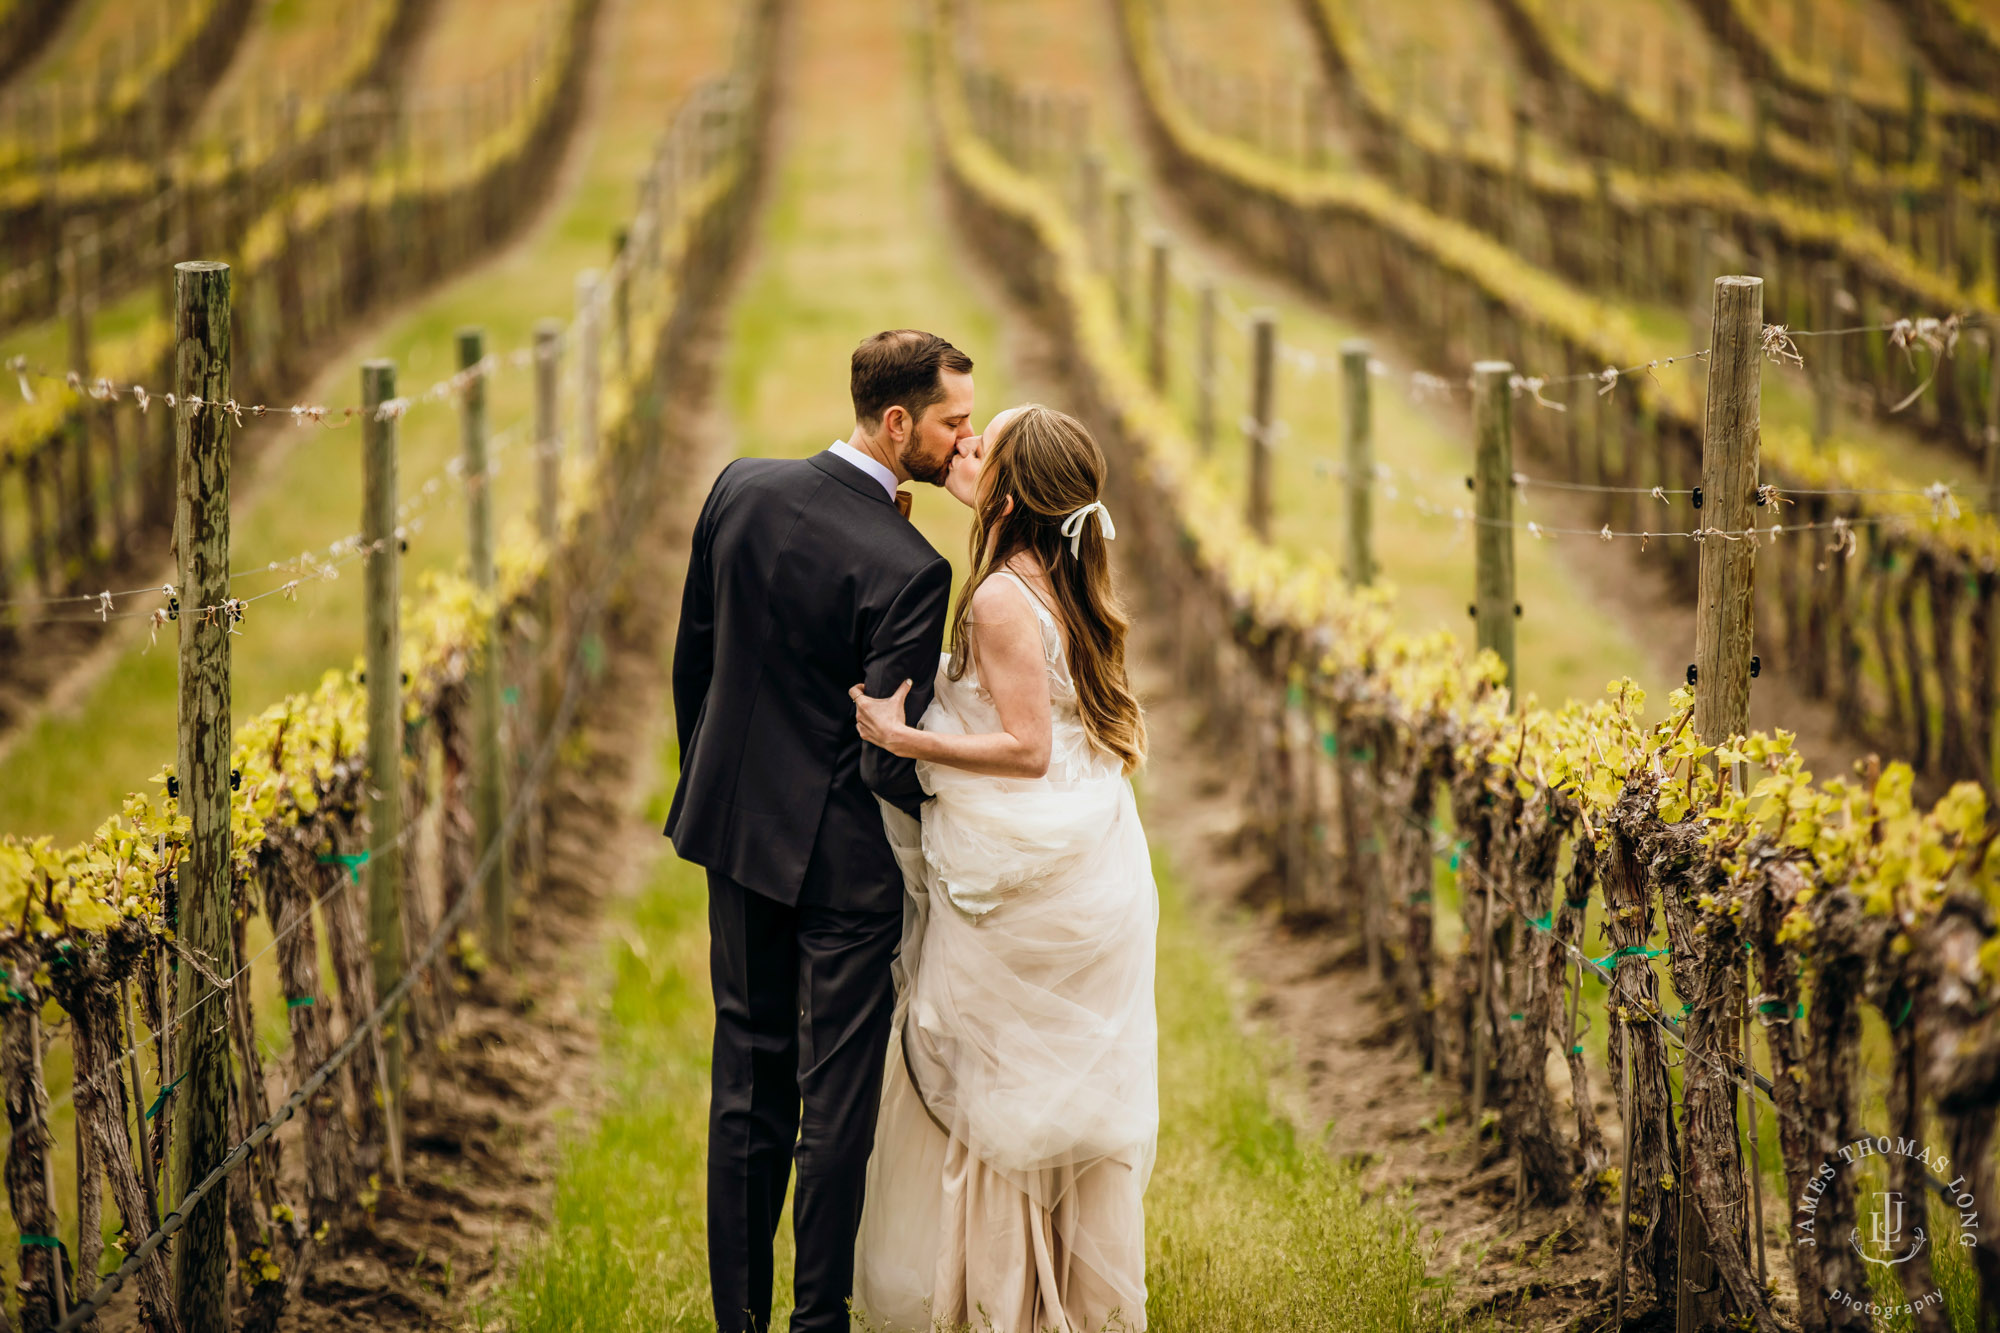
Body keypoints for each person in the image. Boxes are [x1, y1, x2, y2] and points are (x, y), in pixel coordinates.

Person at [665, 330, 978, 1333]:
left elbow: (695, 665)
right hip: (842, 870)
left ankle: (742, 1320)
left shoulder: (738, 489)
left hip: (735, 830)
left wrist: (721, 788)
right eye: (950, 423)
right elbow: (888, 754)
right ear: (897, 423)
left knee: (745, 1086)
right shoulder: (909, 564)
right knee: (832, 1104)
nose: (960, 440)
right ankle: (816, 1321)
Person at [849, 404, 1159, 1333]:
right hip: (1078, 856)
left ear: (1015, 491)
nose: (965, 446)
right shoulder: (1052, 579)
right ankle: (1045, 1294)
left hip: (1018, 872)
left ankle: (998, 1303)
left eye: (984, 444)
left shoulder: (995, 597)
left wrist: (904, 736)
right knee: (1034, 1097)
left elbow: (1025, 746)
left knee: (993, 1092)